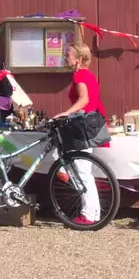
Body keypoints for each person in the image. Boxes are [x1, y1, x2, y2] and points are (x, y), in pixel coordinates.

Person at [50, 41, 108, 226]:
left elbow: (84, 99)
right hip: (88, 124)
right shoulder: (87, 75)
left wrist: (66, 113)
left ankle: (89, 216)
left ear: (79, 59)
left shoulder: (80, 76)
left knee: (83, 172)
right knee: (83, 170)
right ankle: (94, 213)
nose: (66, 56)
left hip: (83, 126)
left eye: (69, 54)